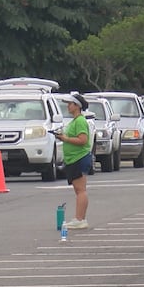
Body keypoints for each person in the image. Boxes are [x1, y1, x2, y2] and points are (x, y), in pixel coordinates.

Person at [57, 93, 92, 230]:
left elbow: (83, 140)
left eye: (70, 104)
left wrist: (65, 139)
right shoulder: (74, 121)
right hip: (73, 159)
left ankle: (80, 219)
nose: (68, 106)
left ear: (77, 106)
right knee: (78, 190)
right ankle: (79, 218)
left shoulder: (80, 121)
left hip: (80, 158)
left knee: (81, 190)